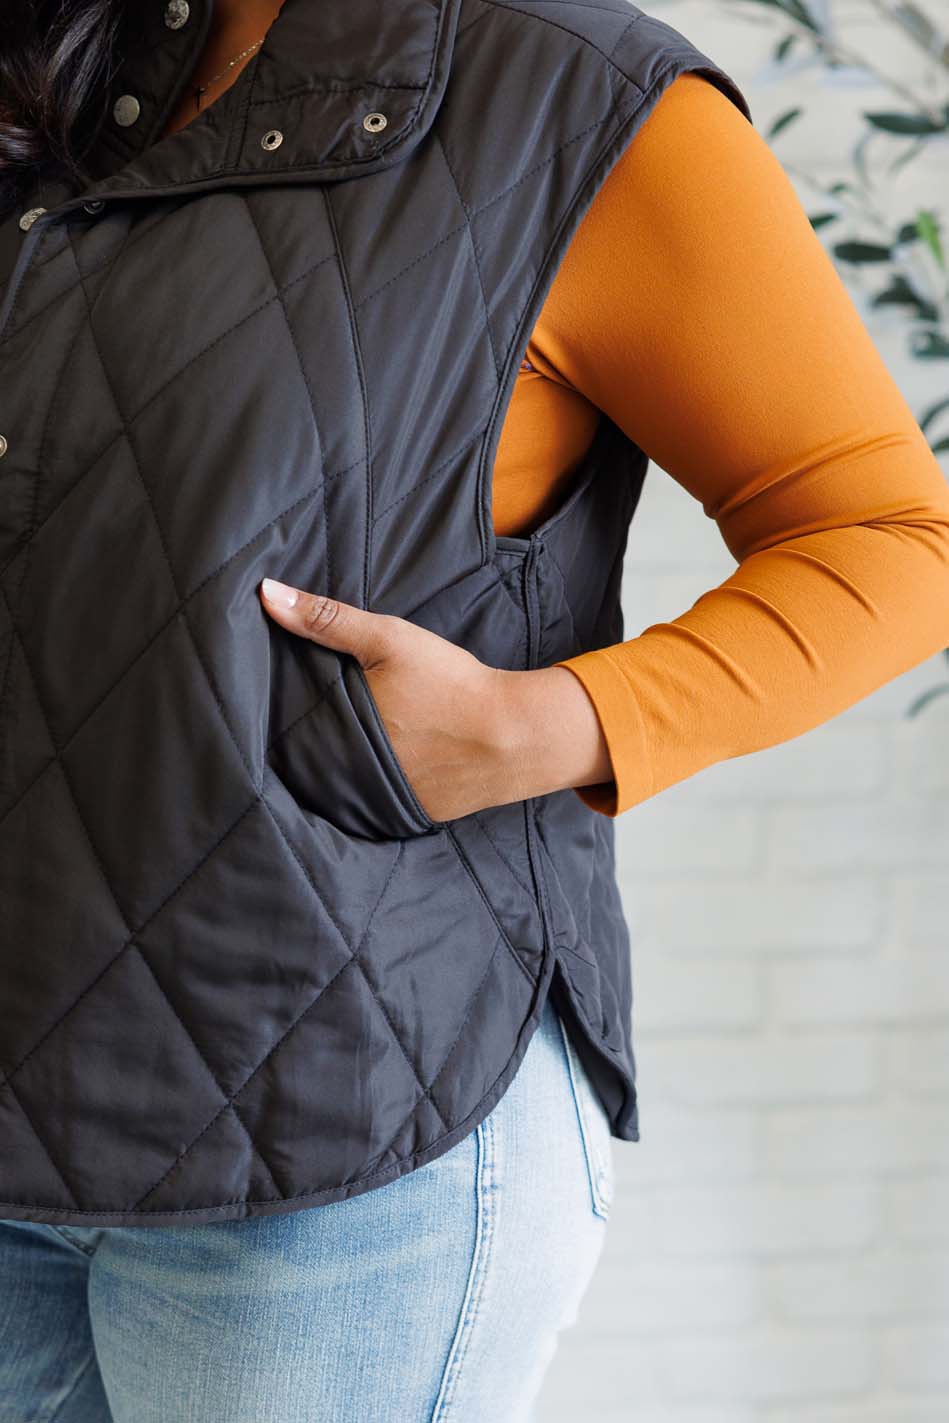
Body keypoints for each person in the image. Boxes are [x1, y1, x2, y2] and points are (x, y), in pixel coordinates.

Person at [1, 1, 947, 1419]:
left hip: (342, 1137)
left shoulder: (577, 99)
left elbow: (892, 540)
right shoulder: (60, 55)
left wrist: (540, 726)